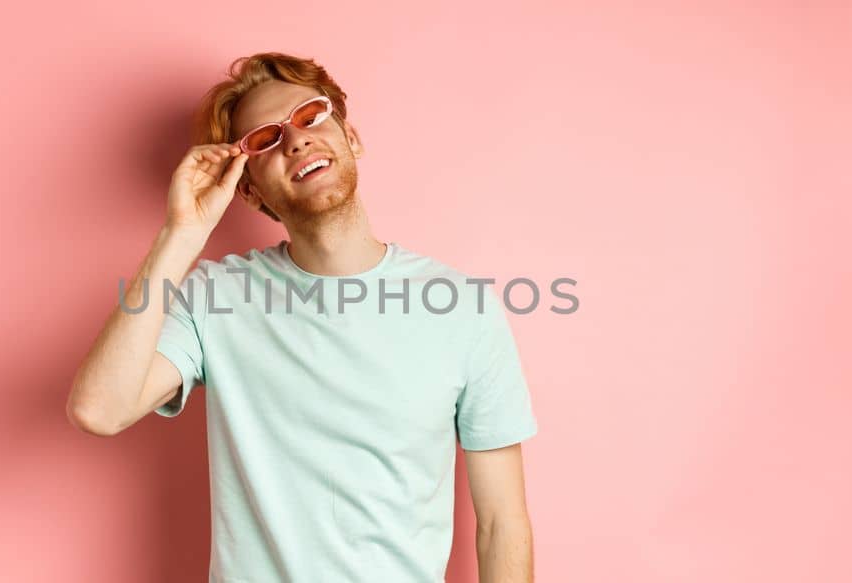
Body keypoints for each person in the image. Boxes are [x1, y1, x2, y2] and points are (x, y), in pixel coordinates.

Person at [68, 52, 538, 582]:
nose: (295, 140)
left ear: (350, 137)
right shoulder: (214, 298)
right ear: (248, 189)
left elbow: (502, 524)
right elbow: (99, 409)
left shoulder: (463, 309)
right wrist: (182, 233)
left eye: (310, 116)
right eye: (266, 139)